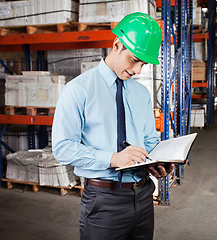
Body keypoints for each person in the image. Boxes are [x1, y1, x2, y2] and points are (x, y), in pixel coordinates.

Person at [52, 12, 174, 240]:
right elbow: (63, 148)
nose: (138, 70)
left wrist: (160, 162)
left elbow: (149, 140)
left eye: (144, 63)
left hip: (144, 194)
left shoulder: (141, 93)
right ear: (117, 44)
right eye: (135, 60)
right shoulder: (78, 90)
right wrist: (112, 159)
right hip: (104, 200)